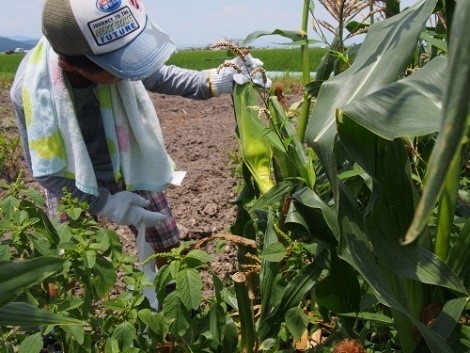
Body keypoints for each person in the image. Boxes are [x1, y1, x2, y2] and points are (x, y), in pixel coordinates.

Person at [10, 0, 270, 280]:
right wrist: (104, 204)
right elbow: (47, 171)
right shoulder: (33, 93)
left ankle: (177, 301)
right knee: (67, 262)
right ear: (71, 66)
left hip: (127, 158)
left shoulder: (102, 55)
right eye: (119, 64)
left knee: (168, 246)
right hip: (70, 177)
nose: (128, 68)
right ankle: (67, 320)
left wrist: (215, 80)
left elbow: (158, 75)